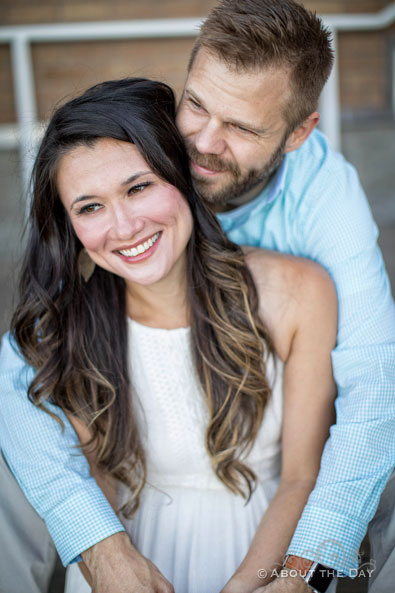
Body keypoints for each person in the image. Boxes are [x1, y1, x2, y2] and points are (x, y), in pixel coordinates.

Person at [0, 0, 394, 591]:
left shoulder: (325, 211)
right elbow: (24, 360)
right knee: (22, 443)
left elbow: (374, 394)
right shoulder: (114, 199)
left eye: (240, 127)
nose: (202, 144)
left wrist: (300, 573)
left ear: (298, 132)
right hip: (141, 505)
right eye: (197, 106)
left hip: (279, 453)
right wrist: (100, 545)